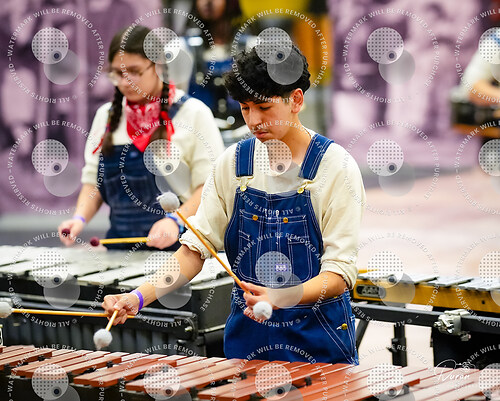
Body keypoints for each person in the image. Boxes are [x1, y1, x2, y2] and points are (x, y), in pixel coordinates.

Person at [103, 44, 365, 364]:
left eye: (264, 107)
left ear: (296, 100)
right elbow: (194, 249)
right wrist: (138, 297)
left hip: (318, 340)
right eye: (245, 108)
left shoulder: (335, 167)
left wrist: (281, 297)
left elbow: (338, 276)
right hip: (248, 342)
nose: (254, 121)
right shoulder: (234, 164)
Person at [58, 25, 224, 250]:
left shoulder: (194, 114)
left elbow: (210, 187)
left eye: (134, 71)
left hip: (179, 252)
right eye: (118, 74)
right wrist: (79, 219)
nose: (125, 82)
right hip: (119, 250)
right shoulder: (106, 117)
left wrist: (176, 220)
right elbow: (92, 183)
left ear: (158, 66)